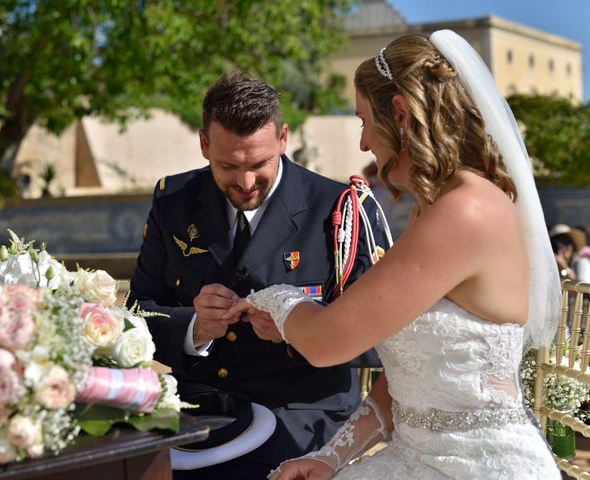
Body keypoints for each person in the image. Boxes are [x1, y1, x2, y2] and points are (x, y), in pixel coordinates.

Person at [225, 30, 561, 479]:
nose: (364, 143)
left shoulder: (467, 210)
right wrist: (330, 456)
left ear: (400, 113)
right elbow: (413, 378)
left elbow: (327, 342)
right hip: (415, 458)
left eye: (364, 120)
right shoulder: (438, 208)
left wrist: (274, 297)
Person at [127, 71, 388, 479]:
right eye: (227, 165)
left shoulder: (339, 210)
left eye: (260, 163)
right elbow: (137, 314)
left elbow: (381, 340)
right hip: (200, 416)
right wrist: (194, 327)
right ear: (203, 144)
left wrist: (301, 329)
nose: (245, 182)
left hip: (302, 420)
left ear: (283, 139)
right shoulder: (173, 201)